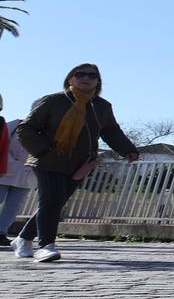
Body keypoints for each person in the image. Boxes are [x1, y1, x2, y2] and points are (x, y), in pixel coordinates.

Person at [13, 64, 140, 262]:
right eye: (80, 74)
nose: (86, 78)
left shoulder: (102, 106)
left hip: (79, 163)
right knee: (52, 201)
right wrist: (44, 151)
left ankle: (23, 238)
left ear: (98, 82)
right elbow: (26, 128)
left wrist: (128, 150)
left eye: (92, 76)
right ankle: (46, 246)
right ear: (70, 79)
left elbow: (111, 131)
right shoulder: (53, 101)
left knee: (55, 202)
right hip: (48, 161)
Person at [0, 95, 37, 246]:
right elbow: (2, 143)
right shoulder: (15, 124)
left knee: (13, 206)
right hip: (5, 171)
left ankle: (1, 232)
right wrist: (10, 161)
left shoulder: (48, 132)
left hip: (26, 176)